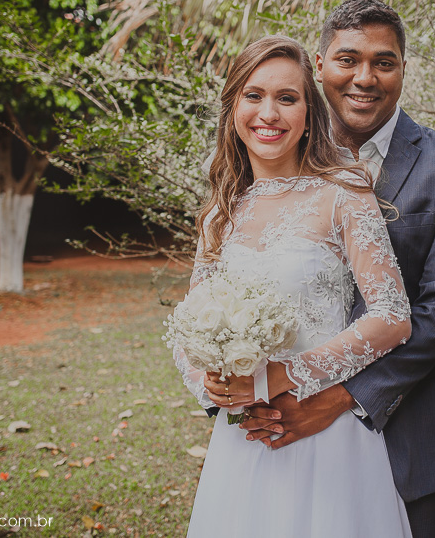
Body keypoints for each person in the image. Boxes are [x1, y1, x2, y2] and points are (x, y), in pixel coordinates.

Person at [239, 0, 435, 538]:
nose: (365, 78)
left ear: (403, 68)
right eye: (347, 59)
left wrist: (336, 399)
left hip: (418, 427)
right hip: (286, 424)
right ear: (319, 65)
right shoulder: (271, 154)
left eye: (384, 62)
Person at [175, 34, 415, 537]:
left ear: (309, 113)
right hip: (242, 438)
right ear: (232, 107)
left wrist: (283, 377)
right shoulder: (219, 214)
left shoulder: (343, 194)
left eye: (287, 98)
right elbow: (187, 329)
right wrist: (212, 385)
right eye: (254, 95)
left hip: (326, 437)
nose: (270, 113)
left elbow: (392, 317)